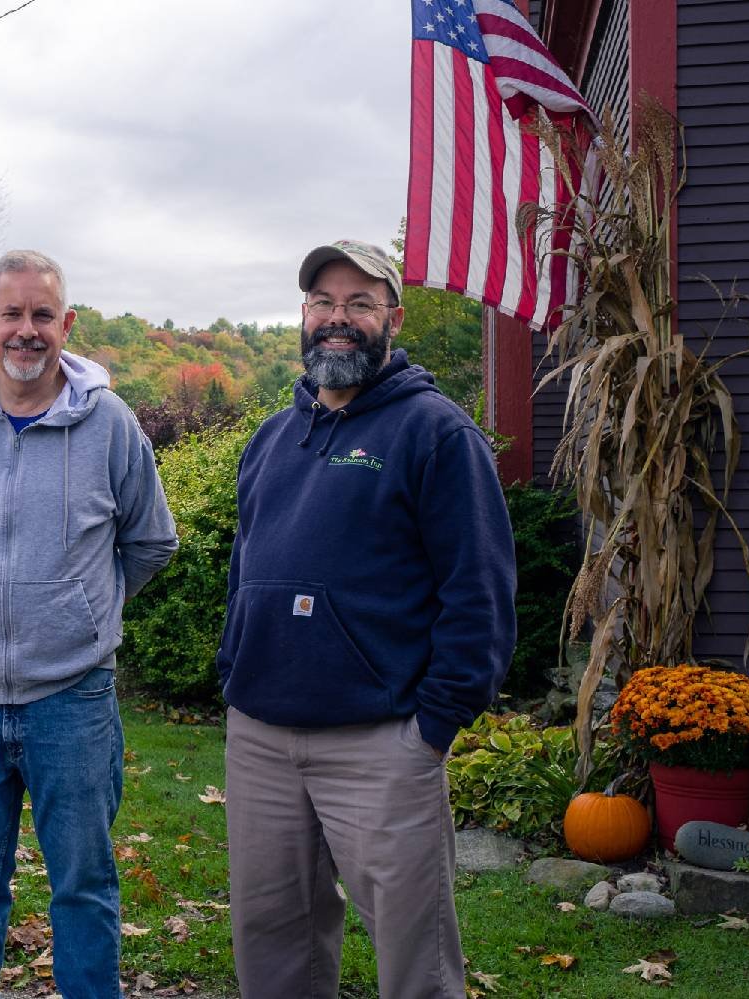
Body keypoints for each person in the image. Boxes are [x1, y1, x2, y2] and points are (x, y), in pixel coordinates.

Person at [215, 239, 516, 998]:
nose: (337, 319)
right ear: (303, 314)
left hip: (382, 746)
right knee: (273, 948)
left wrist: (434, 727)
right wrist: (233, 669)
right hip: (262, 740)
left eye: (358, 303)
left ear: (392, 316)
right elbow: (242, 567)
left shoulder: (437, 434)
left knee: (415, 960)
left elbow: (478, 595)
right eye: (322, 302)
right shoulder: (272, 438)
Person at [0, 249, 178, 999]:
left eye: (42, 315)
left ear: (66, 324)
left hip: (72, 698)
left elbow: (150, 539)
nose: (26, 331)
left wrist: (84, 612)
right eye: (11, 314)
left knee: (83, 882)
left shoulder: (110, 424)